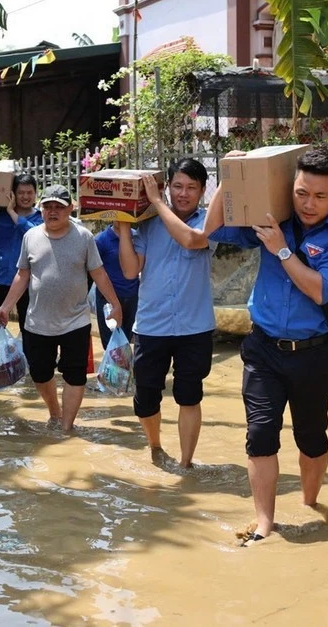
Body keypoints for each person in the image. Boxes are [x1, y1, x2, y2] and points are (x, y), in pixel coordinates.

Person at [207, 147, 328, 545]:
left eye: (319, 196)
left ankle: (311, 502)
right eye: (301, 193)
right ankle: (264, 523)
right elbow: (210, 229)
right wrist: (230, 177)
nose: (308, 204)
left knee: (311, 439)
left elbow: (318, 290)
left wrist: (280, 248)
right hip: (263, 349)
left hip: (313, 353)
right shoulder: (271, 218)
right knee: (260, 434)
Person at [0, 184, 123, 432]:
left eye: (59, 207)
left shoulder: (83, 237)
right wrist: (6, 305)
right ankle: (54, 411)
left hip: (76, 321)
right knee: (41, 374)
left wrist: (115, 303)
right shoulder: (30, 237)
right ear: (41, 209)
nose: (53, 212)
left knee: (75, 375)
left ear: (70, 209)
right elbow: (22, 275)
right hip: (38, 322)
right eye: (48, 207)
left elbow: (98, 273)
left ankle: (66, 427)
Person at [117, 158, 219, 468]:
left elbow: (191, 240)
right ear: (168, 186)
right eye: (177, 186)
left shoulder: (210, 222)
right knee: (145, 398)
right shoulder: (147, 223)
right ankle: (156, 448)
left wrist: (158, 202)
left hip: (195, 327)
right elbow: (131, 270)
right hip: (151, 325)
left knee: (190, 396)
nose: (183, 193)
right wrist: (123, 227)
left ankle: (186, 463)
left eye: (191, 188)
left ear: (202, 191)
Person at [0, 172, 43, 338]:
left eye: (29, 193)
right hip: (2, 278)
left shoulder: (40, 218)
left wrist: (12, 212)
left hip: (29, 281)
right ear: (13, 194)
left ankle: (29, 362)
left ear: (36, 194)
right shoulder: (0, 217)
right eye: (21, 193)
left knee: (28, 326)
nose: (25, 197)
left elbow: (34, 235)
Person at [94, 225, 139, 349]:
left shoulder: (137, 237)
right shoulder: (101, 240)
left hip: (132, 297)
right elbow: (94, 271)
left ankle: (125, 367)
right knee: (112, 345)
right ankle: (114, 368)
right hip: (108, 300)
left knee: (127, 340)